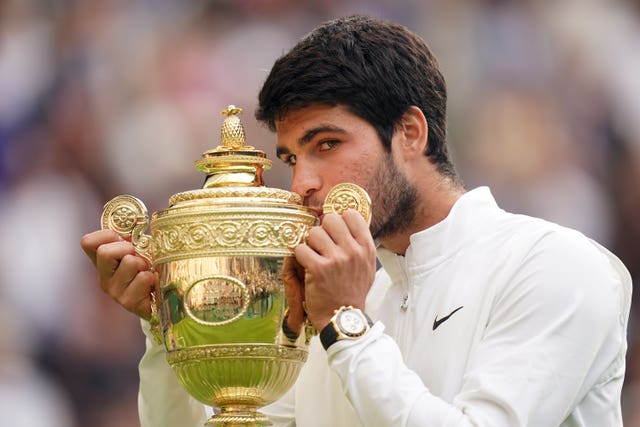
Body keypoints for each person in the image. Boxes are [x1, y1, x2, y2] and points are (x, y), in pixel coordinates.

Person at [81, 15, 632, 426]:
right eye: (294, 157)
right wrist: (169, 327)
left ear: (410, 133)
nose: (302, 184)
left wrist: (346, 324)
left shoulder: (558, 265)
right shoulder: (331, 297)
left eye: (328, 143)